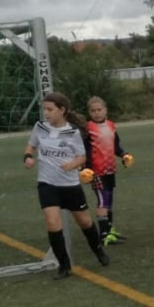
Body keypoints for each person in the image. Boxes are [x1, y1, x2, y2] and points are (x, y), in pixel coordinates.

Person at [24, 93, 110, 280]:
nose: (46, 113)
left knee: (85, 222)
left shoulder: (72, 132)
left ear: (62, 110)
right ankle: (64, 266)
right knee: (52, 223)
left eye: (50, 109)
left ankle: (98, 250)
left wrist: (72, 164)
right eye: (44, 109)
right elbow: (30, 146)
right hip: (47, 184)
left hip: (70, 185)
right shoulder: (40, 127)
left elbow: (82, 157)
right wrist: (28, 157)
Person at [84, 97, 134, 246]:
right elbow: (85, 150)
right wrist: (86, 168)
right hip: (96, 171)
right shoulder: (88, 129)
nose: (97, 113)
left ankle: (109, 230)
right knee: (103, 200)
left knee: (109, 199)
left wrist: (124, 155)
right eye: (93, 111)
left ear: (105, 110)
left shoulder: (111, 125)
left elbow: (115, 145)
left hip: (109, 169)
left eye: (99, 110)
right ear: (89, 113)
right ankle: (104, 235)